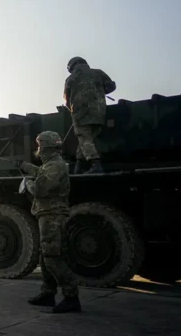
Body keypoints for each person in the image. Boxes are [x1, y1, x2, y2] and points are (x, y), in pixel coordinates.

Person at [18, 131, 81, 313]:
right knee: (44, 256)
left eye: (39, 146)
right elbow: (41, 172)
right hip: (47, 214)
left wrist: (27, 184)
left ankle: (71, 296)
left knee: (52, 257)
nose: (38, 149)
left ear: (45, 147)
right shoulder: (52, 165)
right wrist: (24, 166)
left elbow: (39, 189)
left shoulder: (55, 166)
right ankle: (48, 293)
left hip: (52, 216)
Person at [63, 56, 116, 174]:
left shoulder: (70, 79)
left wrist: (73, 111)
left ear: (72, 68)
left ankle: (95, 164)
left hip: (80, 115)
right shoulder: (98, 73)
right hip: (99, 113)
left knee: (84, 138)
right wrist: (99, 91)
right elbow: (111, 86)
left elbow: (66, 101)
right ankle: (79, 165)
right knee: (86, 139)